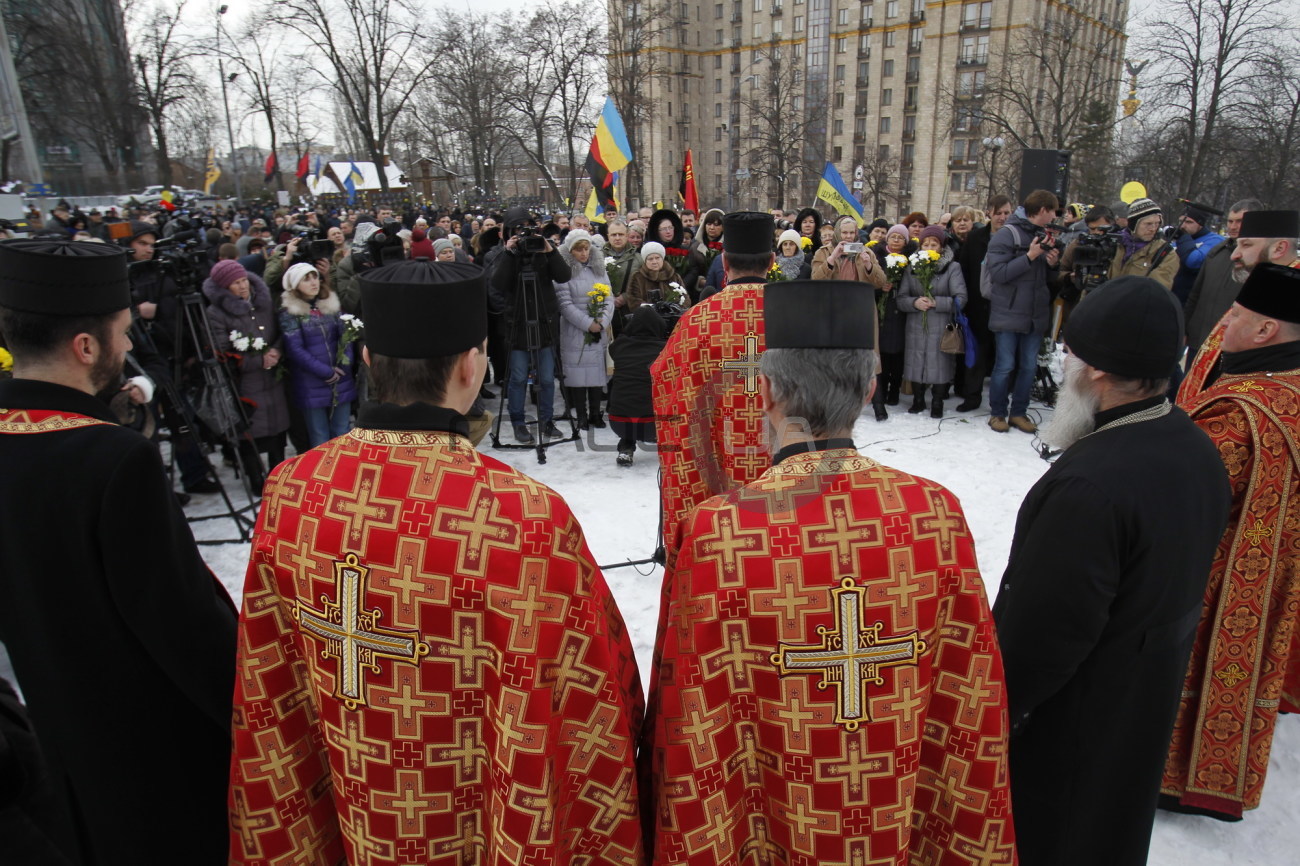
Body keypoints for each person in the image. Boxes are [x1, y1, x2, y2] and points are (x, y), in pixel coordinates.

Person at [228, 258, 645, 864]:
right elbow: (596, 689)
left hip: (349, 796)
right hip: (482, 810)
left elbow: (268, 682)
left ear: (367, 361)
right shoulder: (523, 515)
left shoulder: (292, 490)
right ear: (473, 367)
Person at [644, 279, 1015, 863]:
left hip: (766, 816)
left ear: (763, 390)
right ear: (869, 388)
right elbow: (968, 690)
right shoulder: (934, 514)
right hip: (894, 803)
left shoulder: (719, 531)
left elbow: (690, 711)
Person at [0, 238, 237, 864]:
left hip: (58, 735)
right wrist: (258, 714)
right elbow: (182, 623)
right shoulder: (111, 459)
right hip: (154, 753)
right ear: (86, 347)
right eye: (122, 333)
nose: (129, 348)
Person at [993, 277, 1231, 865]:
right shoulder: (1195, 447)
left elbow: (1040, 637)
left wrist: (994, 711)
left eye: (1071, 352)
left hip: (1071, 733)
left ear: (1096, 371)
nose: (1065, 362)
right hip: (1141, 711)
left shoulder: (1087, 486)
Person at [1161, 263, 1300, 821]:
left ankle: (1175, 774)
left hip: (1221, 577)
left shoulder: (1241, 412)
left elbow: (1178, 494)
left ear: (1265, 331)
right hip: (1275, 574)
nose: (1225, 327)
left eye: (1237, 316)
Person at [653, 212, 775, 559]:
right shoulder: (798, 316)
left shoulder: (697, 319)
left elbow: (665, 381)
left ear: (724, 260)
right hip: (781, 461)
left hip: (715, 460)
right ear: (772, 260)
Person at [1179, 209, 1300, 401]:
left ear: (1279, 248)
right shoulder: (1260, 285)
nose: (1234, 255)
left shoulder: (1292, 297)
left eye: (1246, 244)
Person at [202, 259, 290, 481]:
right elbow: (221, 351)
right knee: (251, 430)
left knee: (278, 427)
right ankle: (256, 478)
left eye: (244, 281)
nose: (242, 286)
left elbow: (281, 331)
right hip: (245, 381)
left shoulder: (264, 302)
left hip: (273, 376)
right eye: (235, 283)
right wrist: (257, 360)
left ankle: (279, 474)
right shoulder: (216, 313)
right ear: (224, 288)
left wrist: (277, 352)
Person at [489, 206, 571, 443]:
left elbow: (564, 276)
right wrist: (509, 253)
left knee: (546, 378)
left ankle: (546, 420)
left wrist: (550, 251)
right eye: (517, 229)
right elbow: (498, 284)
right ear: (509, 232)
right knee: (517, 378)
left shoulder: (542, 249)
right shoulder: (507, 253)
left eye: (526, 228)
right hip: (518, 324)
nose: (523, 234)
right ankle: (518, 422)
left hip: (543, 322)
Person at [983, 189, 1061, 434]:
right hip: (1008, 312)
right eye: (1052, 212)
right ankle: (997, 413)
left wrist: (1051, 264)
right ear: (1041, 211)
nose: (1054, 218)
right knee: (1005, 366)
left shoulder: (1042, 234)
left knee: (1028, 367)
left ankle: (1018, 412)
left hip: (1034, 313)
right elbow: (999, 274)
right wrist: (1030, 256)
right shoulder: (1006, 234)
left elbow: (1046, 279)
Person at [279, 260, 358, 446]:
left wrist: (343, 365)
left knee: (342, 432)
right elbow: (295, 349)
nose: (314, 282)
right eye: (306, 279)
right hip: (311, 381)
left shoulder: (330, 304)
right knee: (320, 436)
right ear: (294, 285)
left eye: (315, 276)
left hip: (340, 379)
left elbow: (346, 336)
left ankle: (344, 471)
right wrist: (326, 372)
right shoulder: (289, 312)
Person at [897, 224, 968, 418]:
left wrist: (937, 302)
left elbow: (961, 298)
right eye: (925, 244)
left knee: (939, 362)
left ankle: (937, 401)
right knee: (916, 360)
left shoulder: (952, 267)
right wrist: (914, 302)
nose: (929, 248)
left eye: (933, 244)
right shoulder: (912, 266)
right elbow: (901, 298)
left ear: (941, 247)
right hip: (916, 323)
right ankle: (918, 399)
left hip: (940, 323)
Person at [954, 194, 1012, 411]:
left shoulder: (1015, 237)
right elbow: (965, 270)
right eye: (998, 213)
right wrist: (965, 302)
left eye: (1007, 213)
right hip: (978, 306)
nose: (1003, 217)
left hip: (1006, 306)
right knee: (976, 354)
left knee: (1003, 357)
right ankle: (972, 397)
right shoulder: (977, 237)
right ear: (989, 213)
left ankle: (1000, 400)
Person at [1183, 198, 1263, 355]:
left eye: (1239, 221)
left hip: (1233, 346)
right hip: (1199, 340)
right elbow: (1196, 294)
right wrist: (1185, 328)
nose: (1233, 226)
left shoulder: (1262, 259)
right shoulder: (1216, 252)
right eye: (1230, 221)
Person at [554, 229, 613, 430]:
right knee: (578, 374)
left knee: (596, 374)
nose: (583, 253)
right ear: (571, 251)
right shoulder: (564, 272)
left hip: (597, 330)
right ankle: (581, 415)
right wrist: (587, 323)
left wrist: (602, 321)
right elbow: (565, 304)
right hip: (576, 331)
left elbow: (609, 298)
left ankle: (596, 414)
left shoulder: (599, 270)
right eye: (579, 249)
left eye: (586, 248)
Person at [607, 303, 666, 466]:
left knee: (631, 402)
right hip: (652, 426)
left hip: (618, 423)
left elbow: (615, 346)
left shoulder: (619, 347)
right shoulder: (665, 349)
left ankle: (626, 447)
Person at [1108, 198, 1178, 289]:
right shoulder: (1115, 244)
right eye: (1148, 224)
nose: (1153, 229)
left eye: (1157, 223)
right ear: (1133, 224)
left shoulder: (1165, 253)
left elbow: (1157, 291)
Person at [1172, 204, 1225, 306]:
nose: (1182, 226)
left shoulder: (1215, 240)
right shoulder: (1180, 240)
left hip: (1191, 301)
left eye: (1188, 222)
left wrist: (1183, 237)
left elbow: (1194, 261)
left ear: (1200, 223)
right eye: (1180, 221)